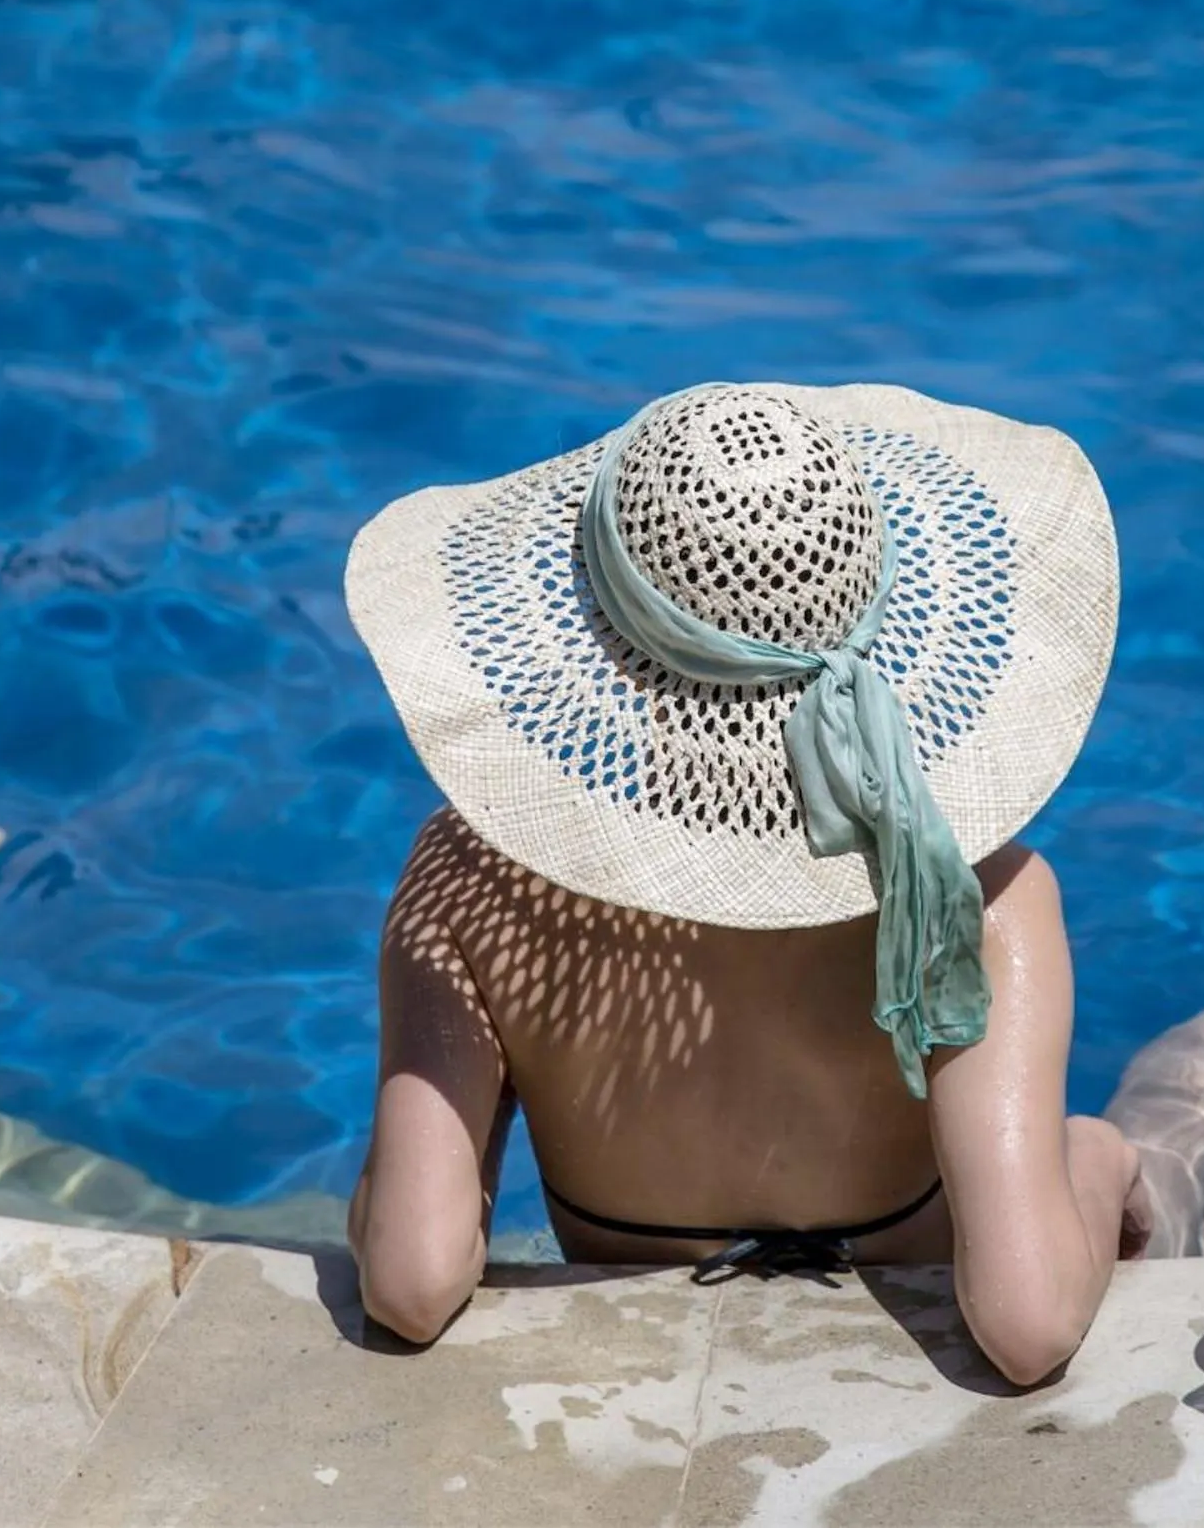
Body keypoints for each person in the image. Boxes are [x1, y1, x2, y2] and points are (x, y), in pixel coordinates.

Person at [342, 381, 1151, 1385]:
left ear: (589, 630)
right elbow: (1025, 1326)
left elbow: (411, 1281)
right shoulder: (971, 894)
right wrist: (1099, 1155)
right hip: (891, 1336)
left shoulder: (472, 888)